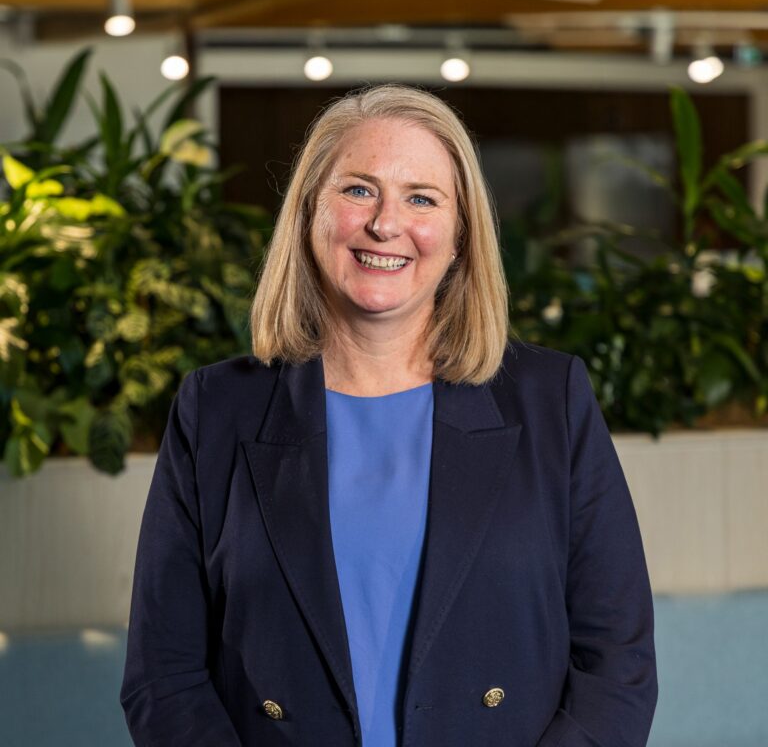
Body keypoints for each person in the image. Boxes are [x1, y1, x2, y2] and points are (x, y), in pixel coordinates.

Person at [121, 84, 657, 747]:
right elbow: (163, 676)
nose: (385, 223)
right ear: (308, 213)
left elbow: (618, 668)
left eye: (421, 198)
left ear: (461, 235)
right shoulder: (215, 410)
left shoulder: (553, 400)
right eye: (357, 190)